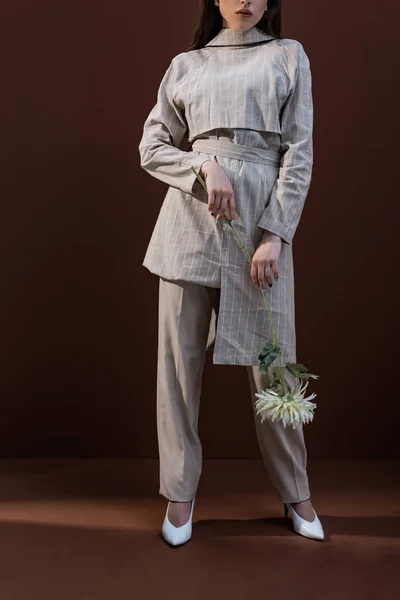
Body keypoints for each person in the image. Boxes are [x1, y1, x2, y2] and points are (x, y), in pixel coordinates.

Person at [138, 0, 324, 546]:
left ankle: (296, 491)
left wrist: (274, 235)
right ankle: (178, 492)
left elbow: (300, 152)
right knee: (176, 370)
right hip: (187, 233)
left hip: (258, 234)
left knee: (275, 366)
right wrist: (201, 163)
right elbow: (150, 146)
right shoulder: (186, 65)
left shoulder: (288, 57)